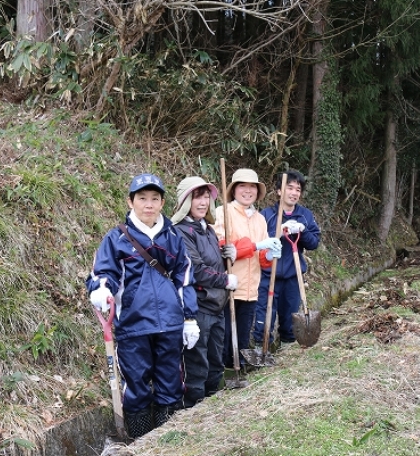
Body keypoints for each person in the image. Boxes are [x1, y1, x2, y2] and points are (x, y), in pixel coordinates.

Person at [86, 173, 200, 439]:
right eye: (142, 198)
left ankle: (167, 437)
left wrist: (189, 318)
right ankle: (140, 438)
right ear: (131, 201)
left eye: (154, 199)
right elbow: (105, 272)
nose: (148, 204)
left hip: (170, 323)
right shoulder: (116, 239)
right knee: (136, 384)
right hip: (132, 323)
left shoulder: (172, 236)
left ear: (162, 203)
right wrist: (102, 290)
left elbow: (184, 277)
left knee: (170, 381)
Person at [171, 176, 239, 407]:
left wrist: (226, 254)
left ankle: (213, 405)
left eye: (205, 197)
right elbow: (195, 270)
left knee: (216, 361)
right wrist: (225, 279)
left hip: (217, 306)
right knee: (197, 364)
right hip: (198, 307)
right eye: (196, 197)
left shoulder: (207, 230)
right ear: (185, 201)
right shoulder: (181, 232)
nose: (202, 202)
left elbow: (211, 260)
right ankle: (193, 408)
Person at [213, 168, 282, 371]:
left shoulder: (260, 219)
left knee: (243, 336)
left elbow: (260, 258)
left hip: (251, 289)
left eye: (252, 186)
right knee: (225, 337)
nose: (247, 190)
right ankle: (224, 375)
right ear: (234, 190)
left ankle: (240, 368)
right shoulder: (223, 212)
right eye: (242, 186)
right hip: (229, 286)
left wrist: (269, 254)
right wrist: (255, 245)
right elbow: (223, 247)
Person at [252, 169, 321, 349]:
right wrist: (277, 233)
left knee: (290, 319)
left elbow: (314, 243)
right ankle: (262, 349)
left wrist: (302, 231)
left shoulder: (305, 216)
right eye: (289, 188)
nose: (293, 193)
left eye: (297, 189)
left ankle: (286, 351)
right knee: (264, 316)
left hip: (293, 277)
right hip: (268, 276)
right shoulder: (266, 216)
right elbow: (257, 244)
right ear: (279, 191)